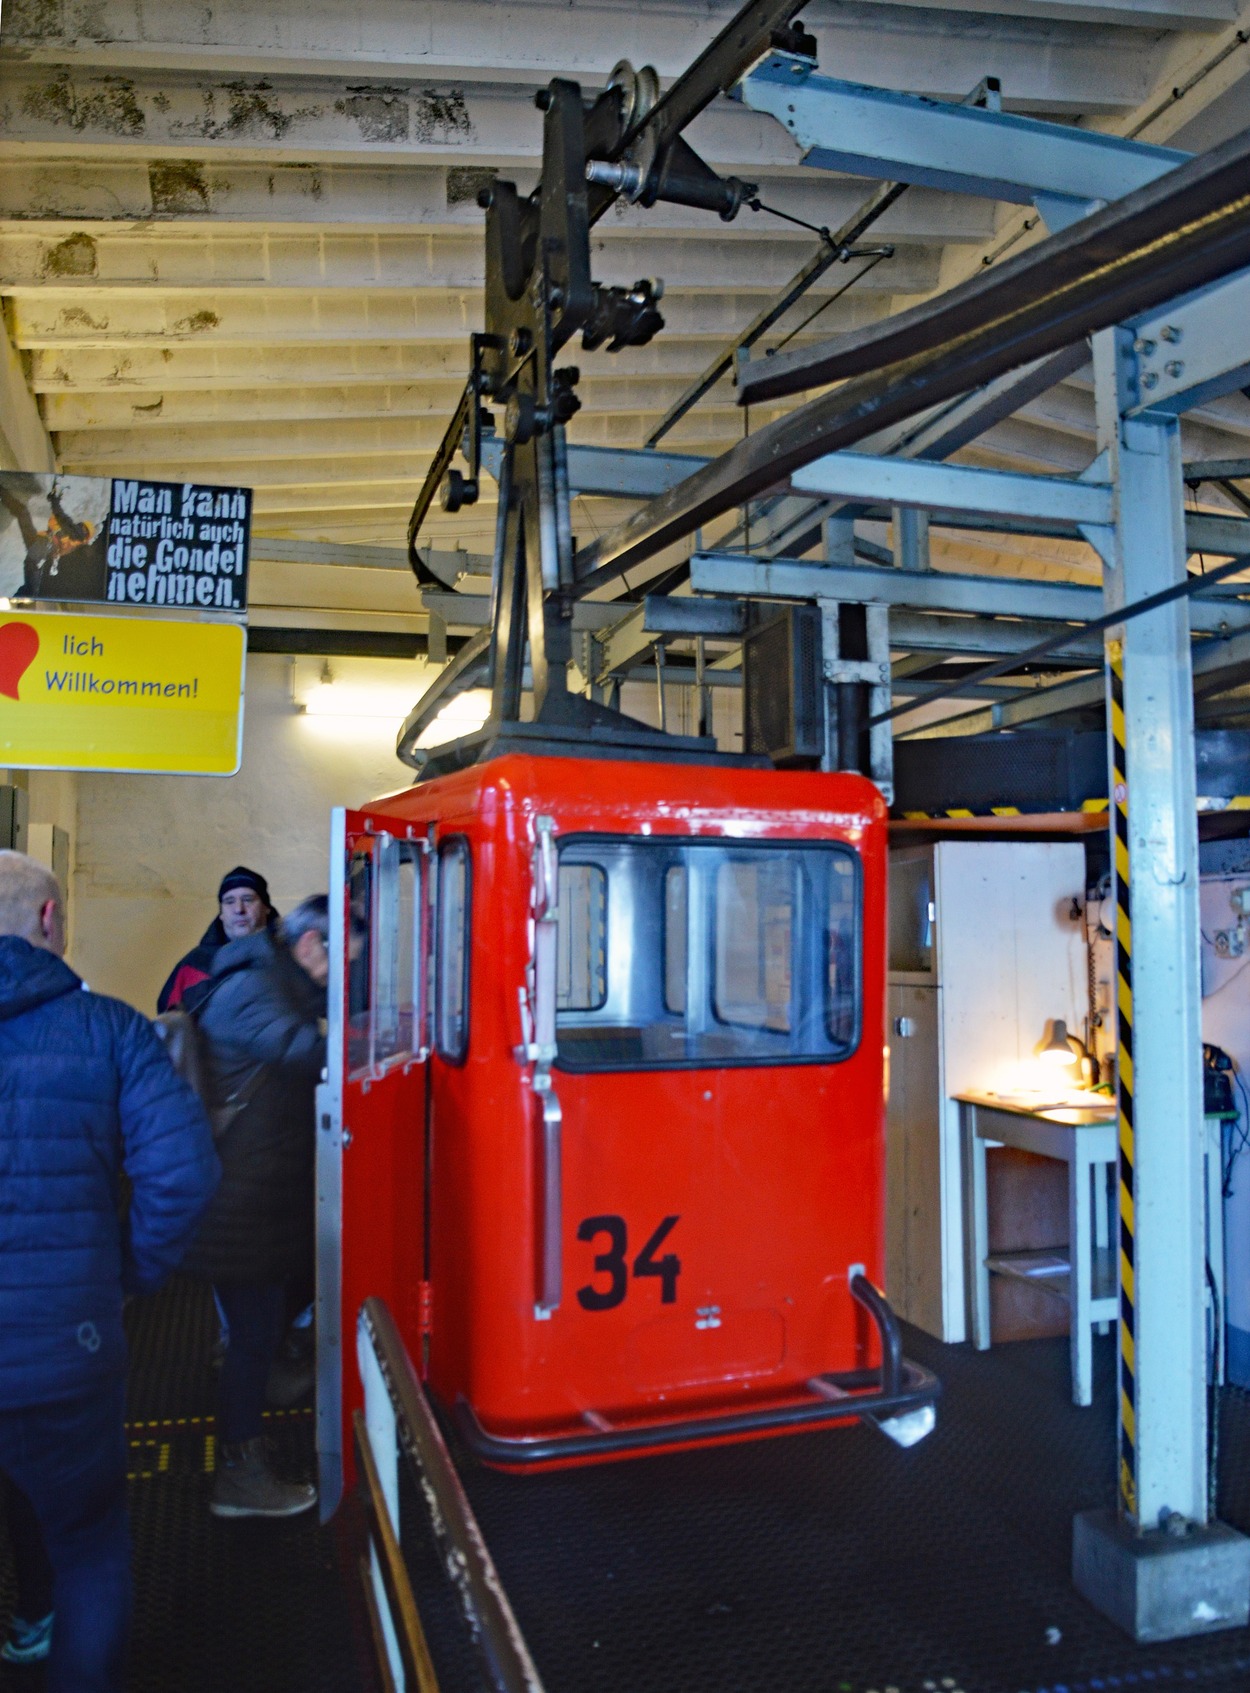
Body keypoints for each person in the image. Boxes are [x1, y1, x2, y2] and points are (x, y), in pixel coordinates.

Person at [0, 851, 218, 1691]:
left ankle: (30, 1617)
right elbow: (185, 1174)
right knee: (89, 1549)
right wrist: (130, 1271)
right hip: (68, 1347)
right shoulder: (111, 1030)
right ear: (50, 919)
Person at [182, 895, 329, 1518]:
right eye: (344, 958)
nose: (343, 973)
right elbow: (305, 1051)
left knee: (266, 1321)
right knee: (248, 1338)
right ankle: (239, 1475)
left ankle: (273, 1378)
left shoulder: (276, 979)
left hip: (254, 1197)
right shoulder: (253, 990)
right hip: (236, 1204)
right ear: (309, 944)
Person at [157, 866, 277, 1013]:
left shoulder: (291, 956)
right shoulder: (193, 965)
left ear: (266, 907)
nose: (239, 909)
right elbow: (167, 1020)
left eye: (248, 899)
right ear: (221, 914)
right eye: (229, 901)